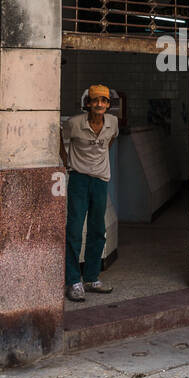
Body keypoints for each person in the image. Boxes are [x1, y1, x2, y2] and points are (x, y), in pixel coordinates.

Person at [59, 84, 119, 303]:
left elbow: (111, 139)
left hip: (101, 180)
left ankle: (92, 278)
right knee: (74, 230)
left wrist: (100, 155)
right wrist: (65, 159)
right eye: (95, 100)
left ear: (108, 105)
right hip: (79, 179)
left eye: (103, 101)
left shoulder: (113, 123)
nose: (99, 104)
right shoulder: (74, 123)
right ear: (88, 103)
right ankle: (73, 280)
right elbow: (58, 135)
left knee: (98, 229)